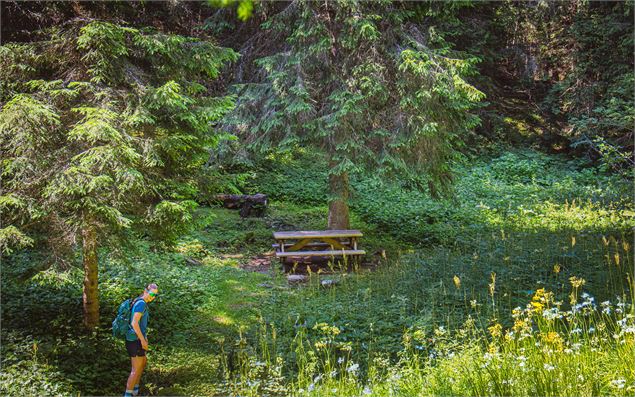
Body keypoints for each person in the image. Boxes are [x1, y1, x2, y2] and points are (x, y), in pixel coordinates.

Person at [124, 283, 158, 397]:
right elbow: (134, 323)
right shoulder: (141, 304)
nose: (152, 297)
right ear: (145, 291)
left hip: (137, 339)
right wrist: (142, 340)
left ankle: (135, 391)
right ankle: (128, 394)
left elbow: (140, 324)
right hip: (134, 340)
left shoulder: (141, 302)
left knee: (142, 363)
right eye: (151, 293)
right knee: (135, 369)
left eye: (155, 295)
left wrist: (145, 338)